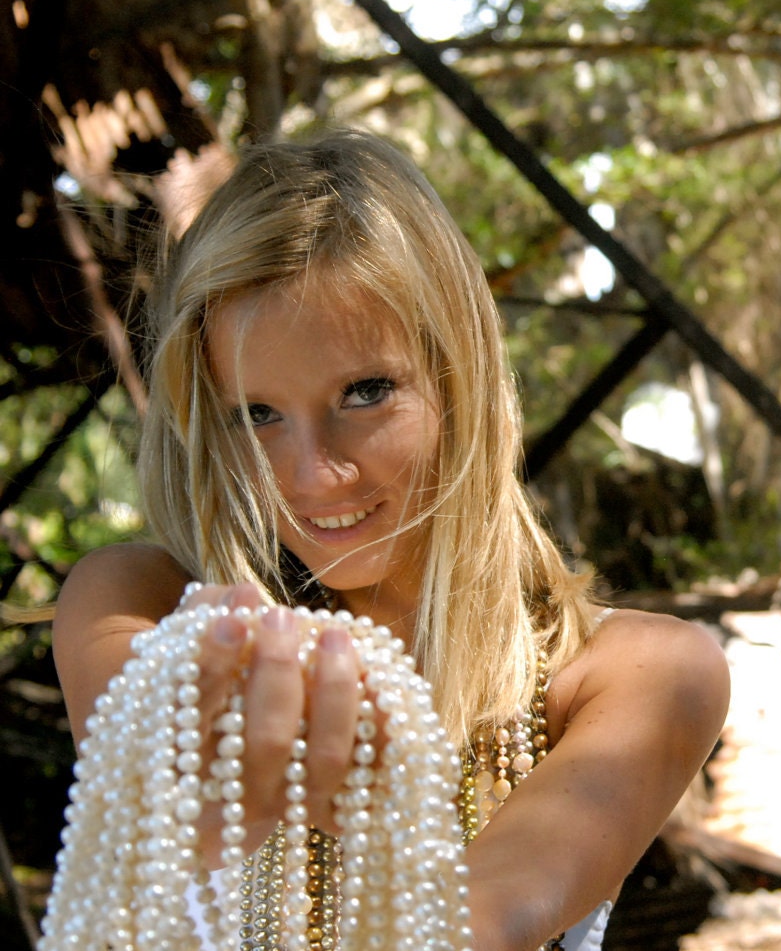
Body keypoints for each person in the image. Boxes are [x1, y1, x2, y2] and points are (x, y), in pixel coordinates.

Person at [49, 129, 731, 951]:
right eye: (257, 413)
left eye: (365, 392)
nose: (313, 473)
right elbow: (153, 777)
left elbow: (481, 921)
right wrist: (193, 782)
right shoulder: (138, 611)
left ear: (460, 377)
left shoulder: (640, 675)